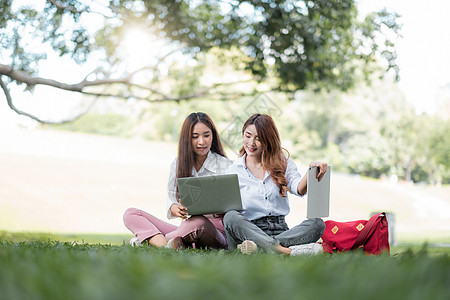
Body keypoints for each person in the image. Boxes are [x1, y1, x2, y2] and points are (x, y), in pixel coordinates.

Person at [123, 112, 232, 249]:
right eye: (195, 137)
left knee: (198, 222)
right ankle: (168, 244)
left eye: (206, 135)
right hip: (186, 228)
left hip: (215, 232)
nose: (201, 142)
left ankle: (150, 241)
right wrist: (174, 208)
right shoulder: (178, 163)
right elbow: (172, 198)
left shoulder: (226, 165)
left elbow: (235, 206)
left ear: (213, 136)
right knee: (131, 214)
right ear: (187, 138)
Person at [223, 113, 327, 255]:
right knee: (230, 216)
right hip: (251, 230)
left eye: (258, 138)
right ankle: (285, 251)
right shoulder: (233, 171)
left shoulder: (283, 163)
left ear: (268, 140)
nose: (251, 143)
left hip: (280, 229)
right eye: (248, 136)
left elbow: (299, 189)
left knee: (317, 223)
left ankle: (260, 248)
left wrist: (312, 170)